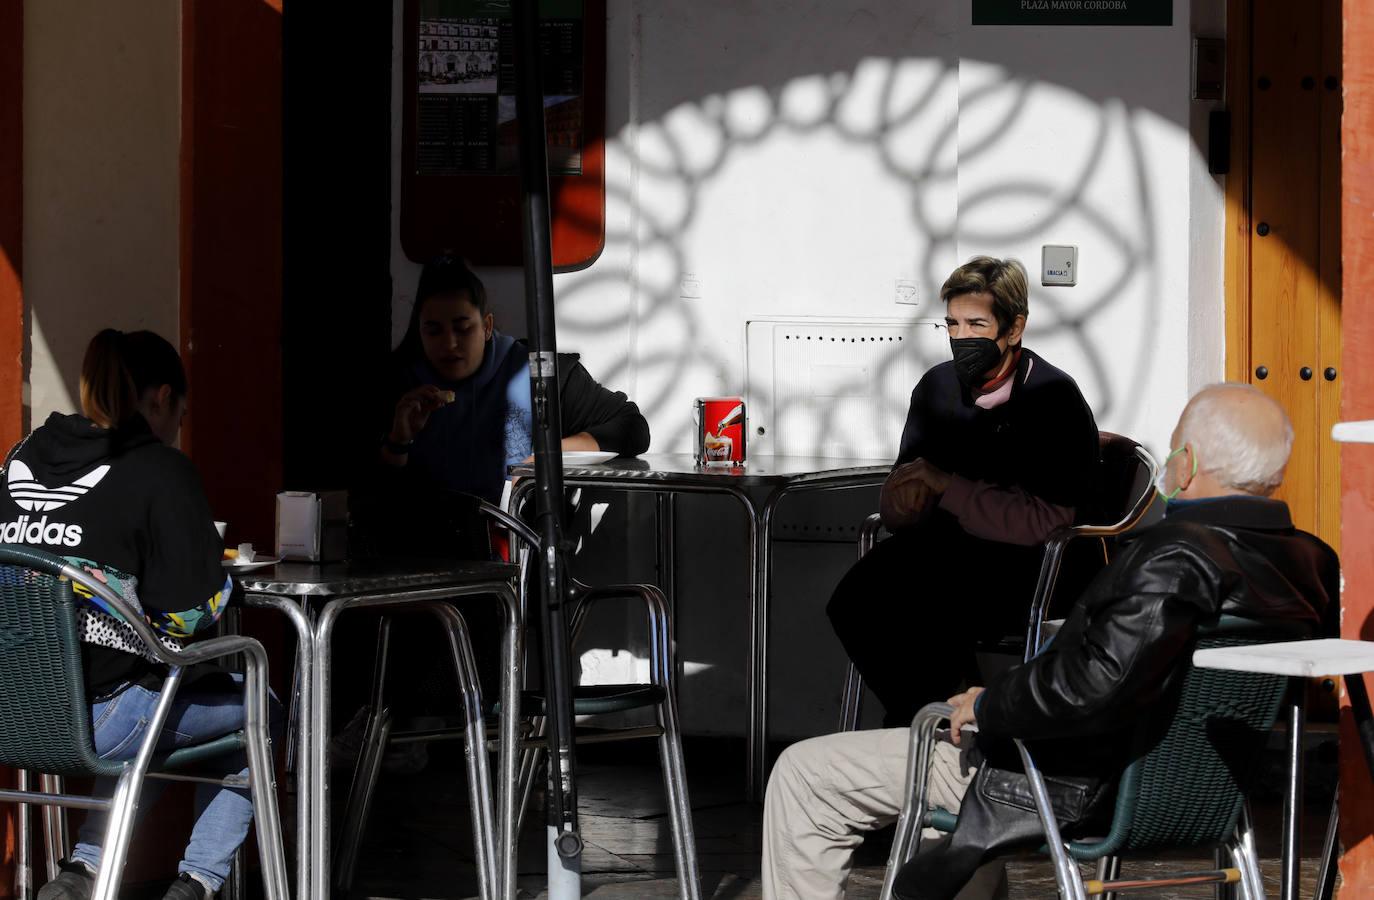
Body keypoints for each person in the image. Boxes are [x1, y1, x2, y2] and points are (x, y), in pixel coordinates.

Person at [763, 383, 1339, 900]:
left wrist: (989, 703)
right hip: (1201, 793)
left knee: (805, 775)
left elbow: (1095, 683)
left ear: (1185, 464)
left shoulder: (1173, 556)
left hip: (1064, 784)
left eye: (1171, 452)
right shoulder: (1308, 563)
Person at [0, 329, 279, 900]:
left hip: (13, 706)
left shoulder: (20, 455)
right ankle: (197, 883)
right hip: (102, 715)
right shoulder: (159, 468)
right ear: (159, 398)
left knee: (172, 710)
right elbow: (189, 617)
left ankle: (84, 873)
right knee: (257, 708)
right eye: (179, 409)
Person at [827, 256, 1100, 727]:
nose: (961, 338)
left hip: (1026, 565)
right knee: (856, 599)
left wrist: (948, 488)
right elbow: (907, 485)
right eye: (951, 324)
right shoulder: (935, 387)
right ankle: (937, 718)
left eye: (976, 324)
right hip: (942, 553)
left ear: (1014, 329)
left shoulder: (1052, 399)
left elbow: (1045, 522)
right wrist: (899, 502)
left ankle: (935, 723)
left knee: (923, 604)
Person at [377, 254, 650, 505]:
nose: (449, 344)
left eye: (462, 328)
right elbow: (371, 498)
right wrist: (399, 440)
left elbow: (632, 427)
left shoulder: (536, 372)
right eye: (434, 331)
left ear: (486, 327)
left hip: (516, 545)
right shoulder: (402, 384)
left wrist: (546, 456)